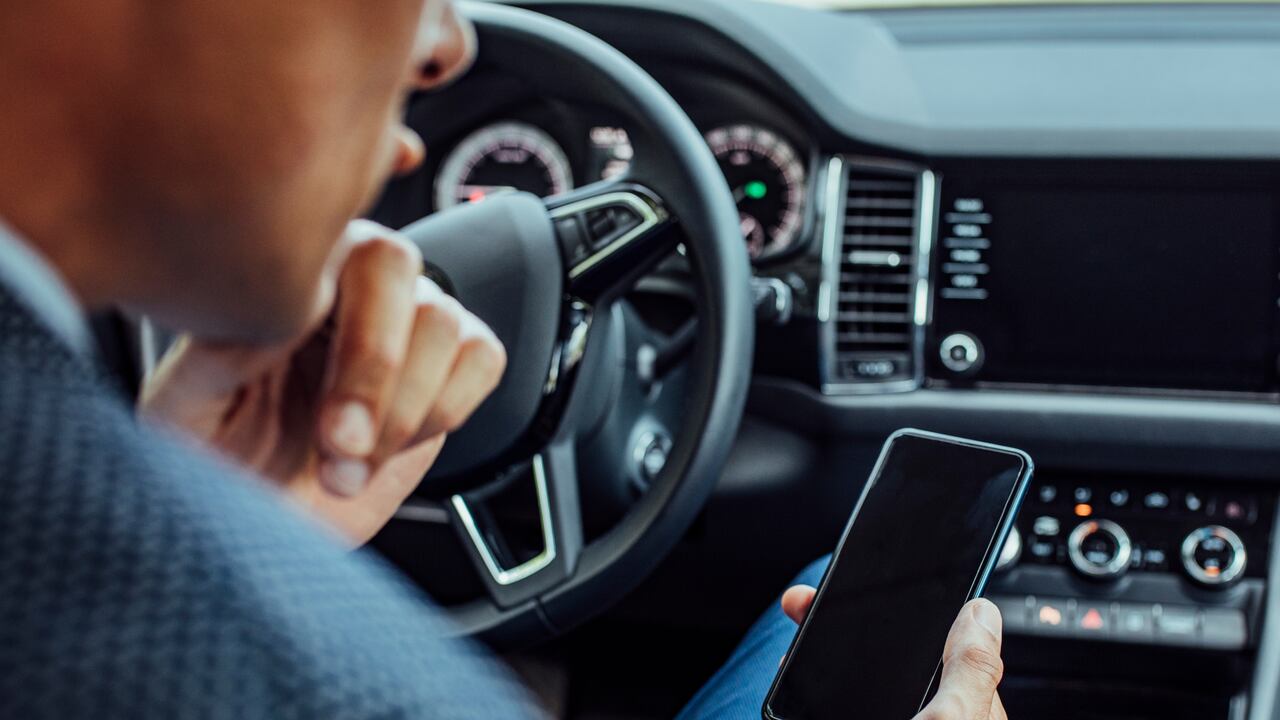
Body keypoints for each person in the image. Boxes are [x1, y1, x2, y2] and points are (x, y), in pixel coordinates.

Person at [0, 0, 1006, 717]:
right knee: (871, 610)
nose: (447, 42)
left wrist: (210, 510)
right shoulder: (348, 685)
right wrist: (213, 569)